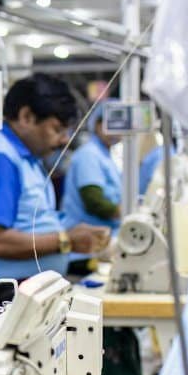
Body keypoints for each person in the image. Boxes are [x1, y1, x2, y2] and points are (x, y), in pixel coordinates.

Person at [0, 74, 111, 313]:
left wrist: (75, 232)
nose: (64, 140)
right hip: (3, 296)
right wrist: (65, 241)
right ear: (26, 117)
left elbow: (34, 219)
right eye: (57, 129)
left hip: (27, 289)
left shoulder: (27, 158)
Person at [62, 101, 124, 276]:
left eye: (120, 125)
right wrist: (126, 212)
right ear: (97, 125)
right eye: (110, 125)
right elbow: (94, 202)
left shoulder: (106, 155)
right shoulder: (89, 155)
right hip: (85, 249)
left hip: (101, 244)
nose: (116, 131)